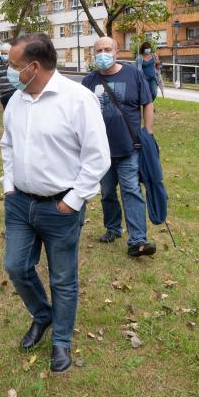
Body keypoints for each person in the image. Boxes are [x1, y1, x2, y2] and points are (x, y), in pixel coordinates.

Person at [1, 33, 110, 373]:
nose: (8, 71)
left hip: (60, 207)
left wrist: (73, 200)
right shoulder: (17, 99)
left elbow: (98, 157)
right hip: (20, 204)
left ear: (33, 67)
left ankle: (61, 341)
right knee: (16, 267)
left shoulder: (77, 99)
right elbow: (7, 144)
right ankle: (43, 314)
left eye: (14, 66)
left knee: (63, 279)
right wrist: (8, 185)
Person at [82, 37, 156, 257]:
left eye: (107, 49)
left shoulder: (133, 74)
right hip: (100, 151)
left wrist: (148, 133)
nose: (103, 53)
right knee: (106, 193)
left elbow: (148, 102)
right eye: (99, 50)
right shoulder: (88, 81)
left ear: (116, 52)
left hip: (128, 147)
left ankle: (138, 240)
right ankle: (113, 228)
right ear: (93, 54)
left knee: (131, 191)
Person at [0, 41, 17, 108]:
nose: (3, 55)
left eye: (5, 53)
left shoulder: (16, 63)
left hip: (14, 93)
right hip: (3, 95)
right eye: (2, 53)